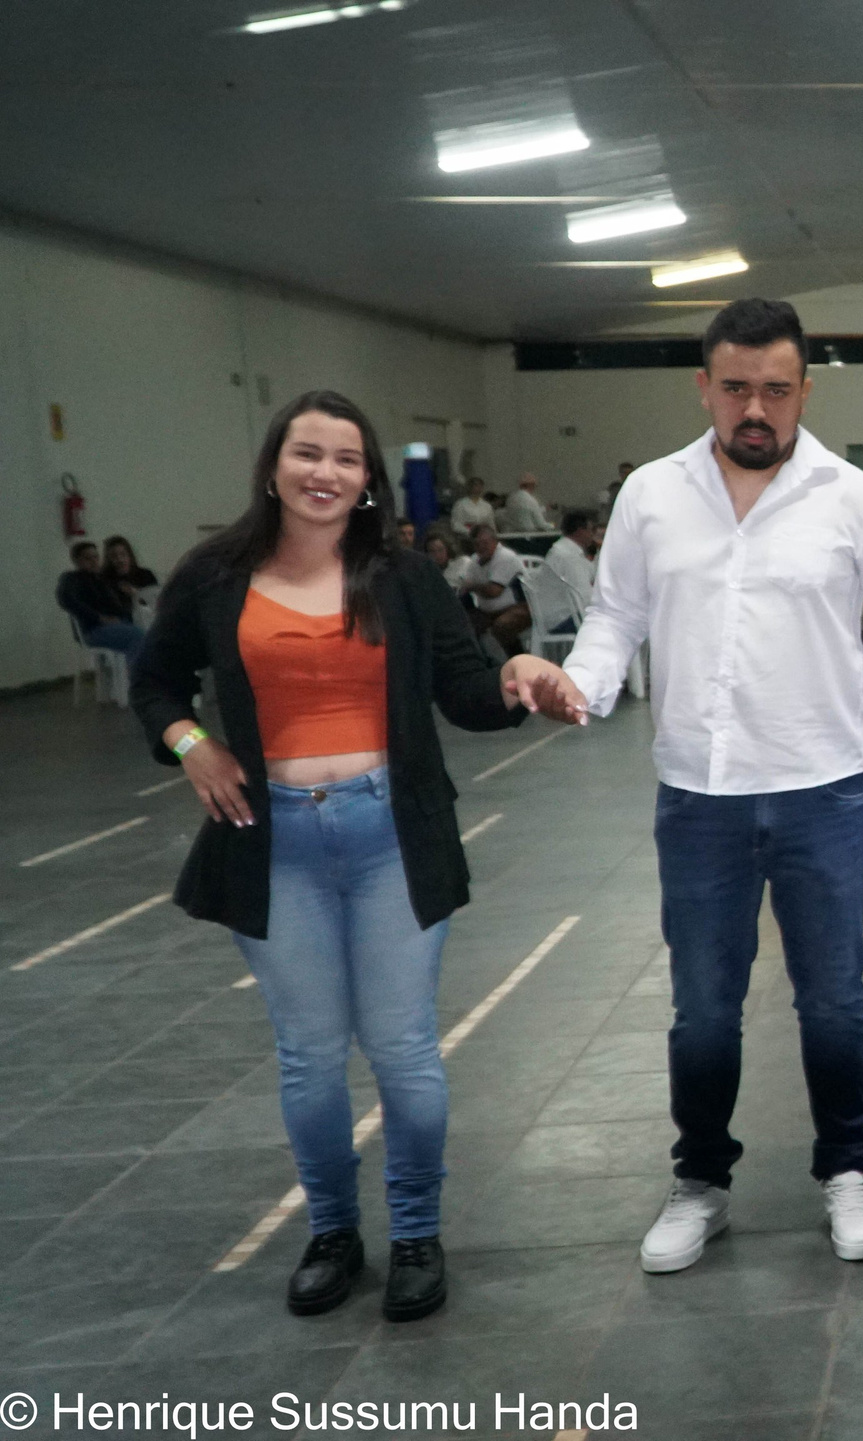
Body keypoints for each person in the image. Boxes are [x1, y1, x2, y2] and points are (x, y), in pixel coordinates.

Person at [129, 390, 580, 1323]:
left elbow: (465, 691)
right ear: (273, 464)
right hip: (274, 842)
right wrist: (192, 744)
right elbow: (156, 681)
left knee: (404, 1051)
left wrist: (518, 677)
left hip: (391, 838)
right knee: (308, 1055)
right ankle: (333, 1231)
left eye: (346, 458)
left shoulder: (403, 577)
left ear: (368, 478)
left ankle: (415, 1233)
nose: (324, 473)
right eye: (307, 453)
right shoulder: (216, 574)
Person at [550, 297, 863, 1274]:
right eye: (735, 388)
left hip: (823, 793)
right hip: (699, 797)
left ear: (805, 390)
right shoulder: (652, 494)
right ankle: (700, 1183)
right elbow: (614, 615)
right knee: (704, 1005)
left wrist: (842, 696)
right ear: (704, 387)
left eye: (775, 389)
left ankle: (846, 1168)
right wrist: (580, 685)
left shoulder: (850, 496)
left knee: (832, 999)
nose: (755, 409)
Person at [58, 540, 146, 667]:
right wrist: (98, 618)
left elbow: (113, 606)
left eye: (96, 557)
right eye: (88, 558)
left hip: (113, 626)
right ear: (76, 561)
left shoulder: (100, 580)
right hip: (92, 630)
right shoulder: (71, 578)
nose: (94, 561)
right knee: (138, 636)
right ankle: (138, 675)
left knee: (146, 634)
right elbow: (66, 599)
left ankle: (131, 674)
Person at [456, 524, 530, 655]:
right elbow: (463, 587)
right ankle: (482, 662)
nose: (481, 547)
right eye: (477, 544)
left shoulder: (506, 557)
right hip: (487, 612)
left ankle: (517, 659)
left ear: (495, 541)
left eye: (485, 543)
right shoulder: (474, 560)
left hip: (519, 608)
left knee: (503, 626)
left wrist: (472, 586)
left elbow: (494, 591)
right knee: (462, 625)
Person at [534, 508, 601, 638]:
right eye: (591, 530)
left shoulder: (563, 549)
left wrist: (600, 552)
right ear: (580, 531)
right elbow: (584, 597)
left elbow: (593, 573)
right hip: (564, 619)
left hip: (556, 616)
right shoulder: (569, 556)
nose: (593, 535)